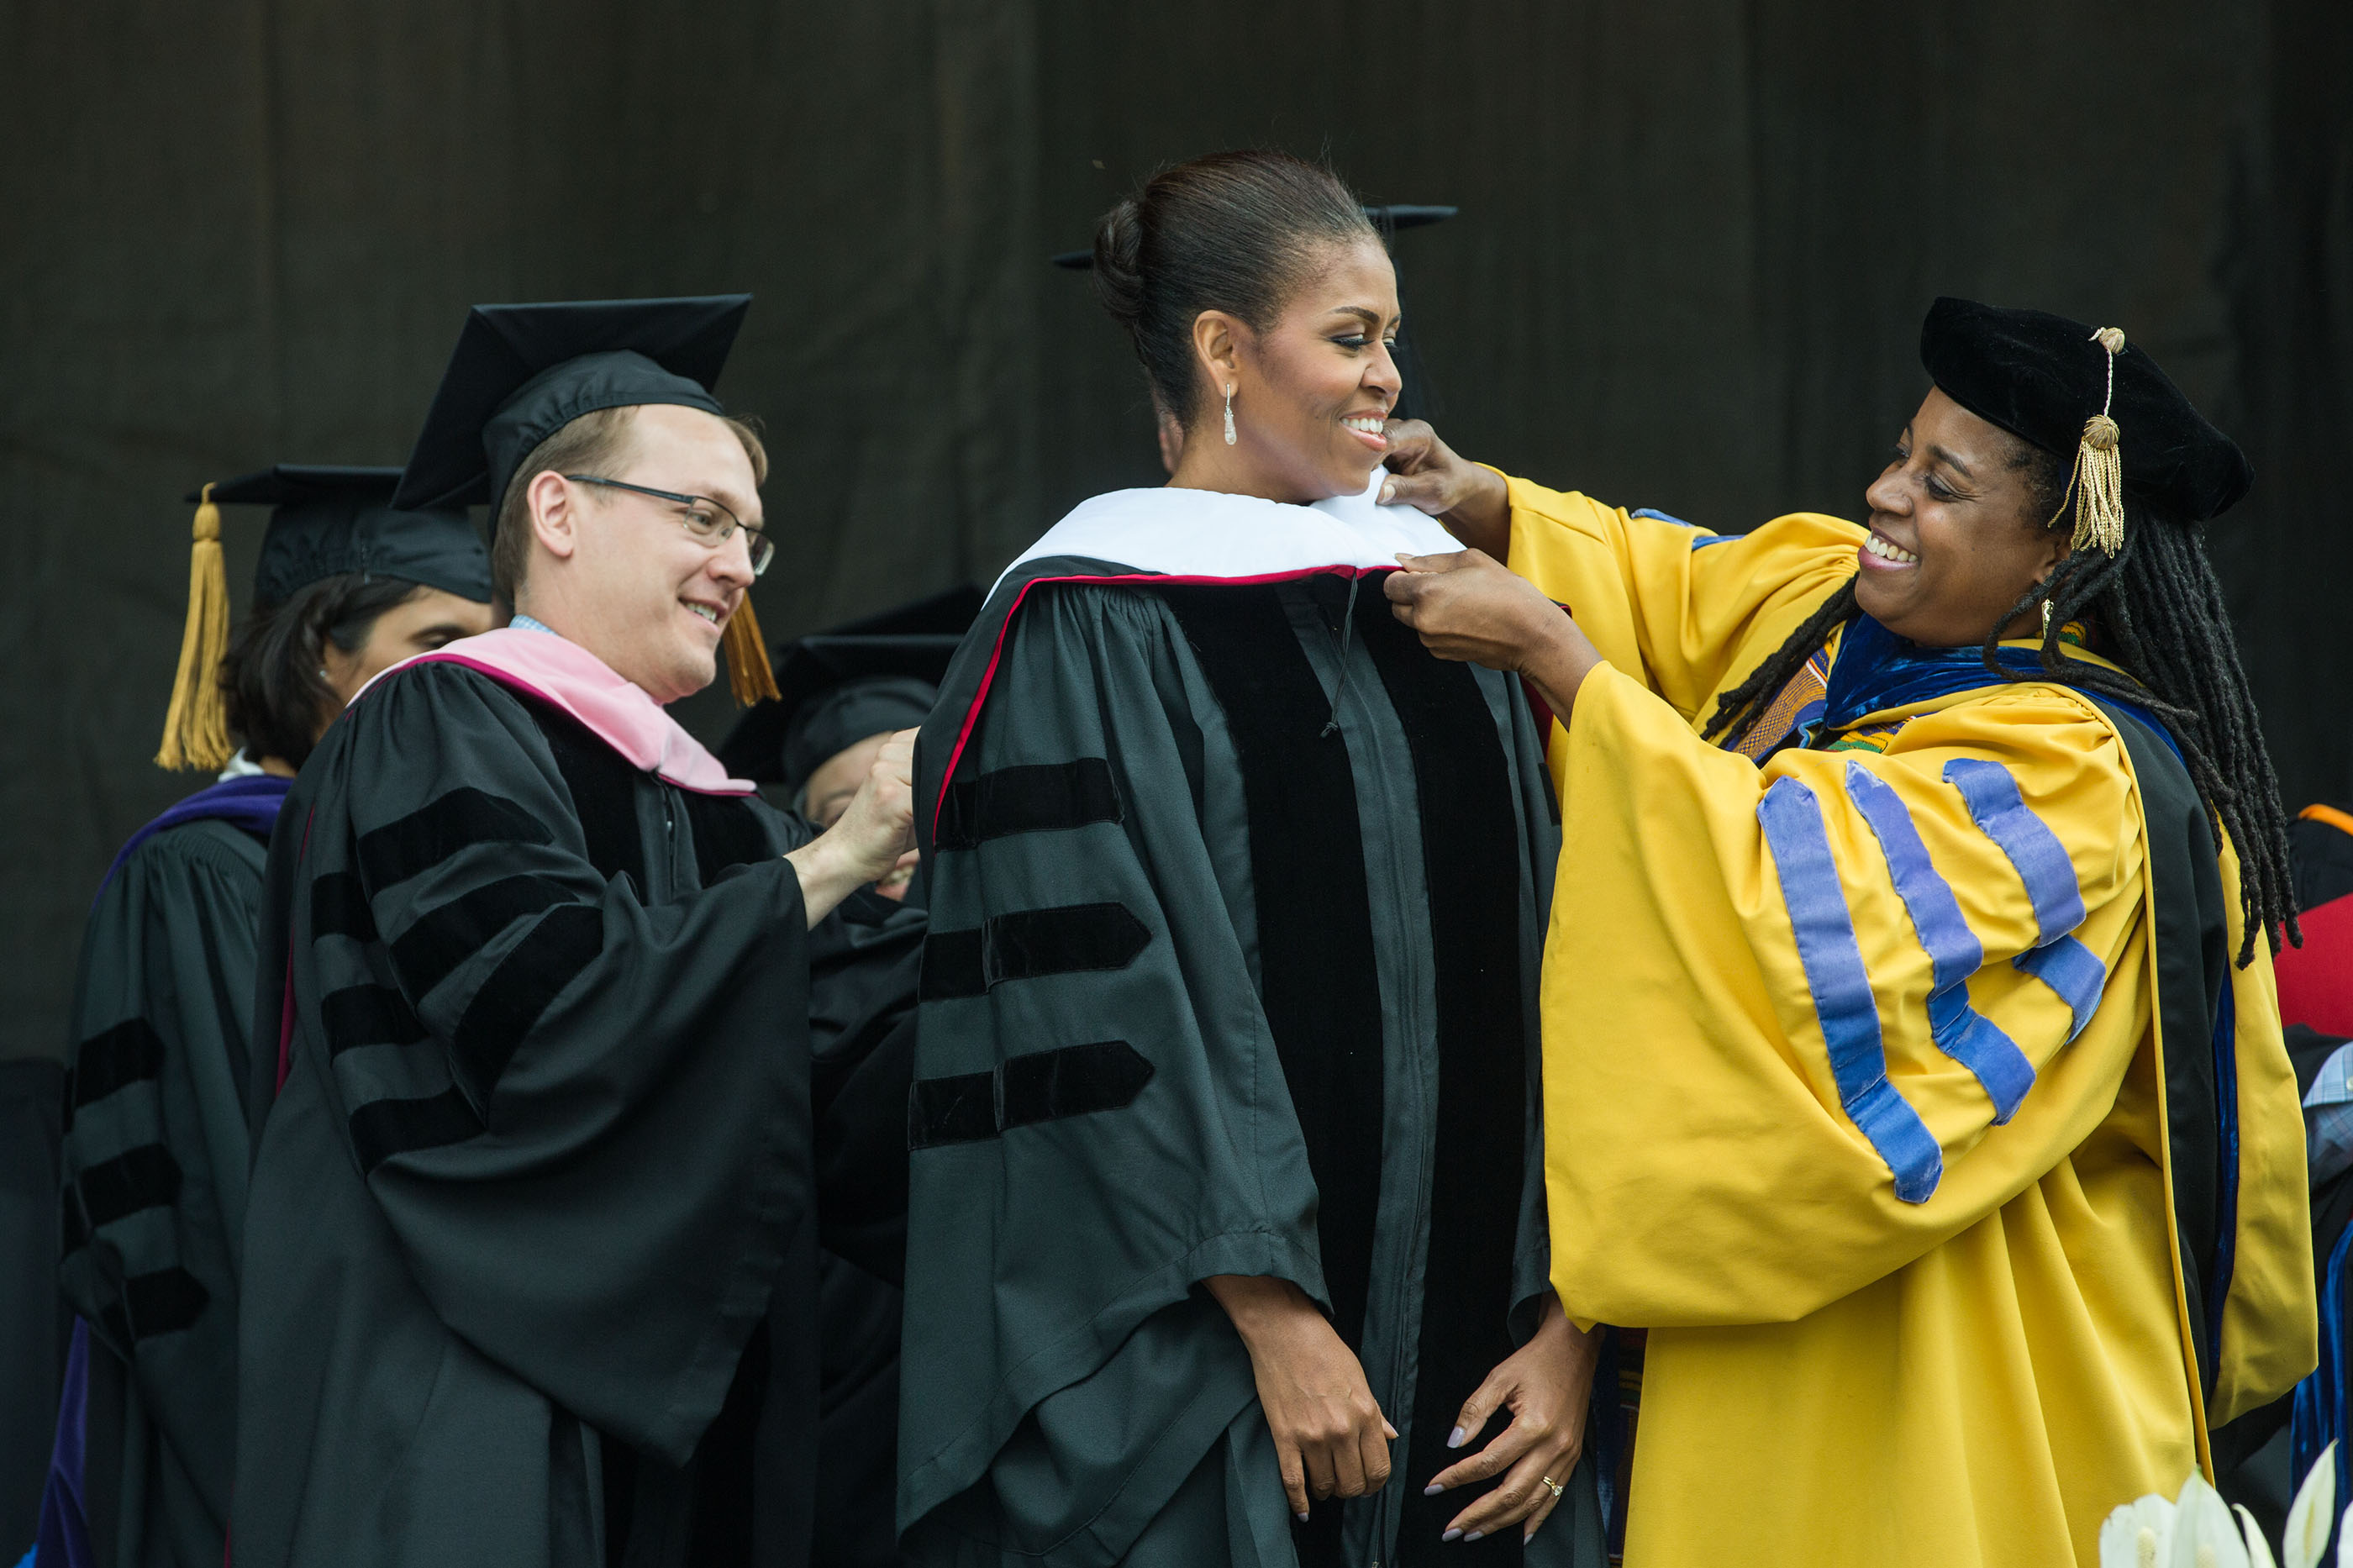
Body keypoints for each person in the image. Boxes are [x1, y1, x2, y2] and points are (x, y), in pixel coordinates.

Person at [1376, 297, 2317, 1566]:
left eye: (1941, 483)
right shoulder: (1845, 613)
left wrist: (1559, 661)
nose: (1884, 493)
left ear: (2058, 551)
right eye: (1898, 451)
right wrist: (1481, 499)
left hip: (1969, 1361)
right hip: (1787, 1344)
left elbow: (1788, 904)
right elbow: (1677, 576)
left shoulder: (2070, 771)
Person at [901, 150, 1603, 1567]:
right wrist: (1275, 1313)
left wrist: (1572, 1320)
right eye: (1350, 339)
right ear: (1225, 349)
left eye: (1392, 338)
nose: (1387, 376)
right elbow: (1088, 1017)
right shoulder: (1085, 623)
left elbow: (1581, 965)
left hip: (1489, 1367)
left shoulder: (1445, 608)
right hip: (1213, 1367)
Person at [229, 296, 915, 1568]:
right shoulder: (431, 729)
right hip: (460, 1389)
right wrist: (831, 862)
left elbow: (850, 1104)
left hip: (687, 1436)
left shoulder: (732, 829)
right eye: (702, 516)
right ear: (557, 511)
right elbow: (546, 1018)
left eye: (754, 536)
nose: (737, 565)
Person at [37, 466, 492, 1568]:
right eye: (435, 639)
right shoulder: (203, 876)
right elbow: (212, 1217)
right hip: (262, 1462)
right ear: (316, 653)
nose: (471, 679)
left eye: (490, 645)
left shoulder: (446, 881)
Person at [716, 585, 980, 1568]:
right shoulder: (781, 973)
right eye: (852, 813)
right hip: (823, 1400)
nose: (897, 835)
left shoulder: (1039, 955)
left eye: (923, 802)